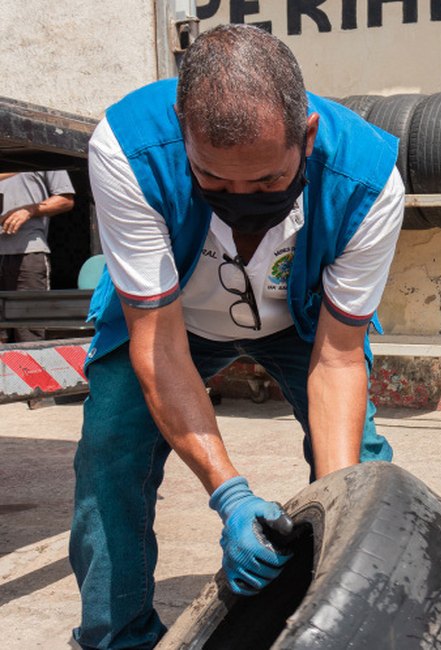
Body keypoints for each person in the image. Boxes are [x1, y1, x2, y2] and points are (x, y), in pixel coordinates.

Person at [70, 24, 404, 649]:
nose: (241, 200)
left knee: (360, 468)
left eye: (268, 182)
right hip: (171, 321)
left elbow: (336, 358)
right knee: (110, 453)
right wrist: (230, 496)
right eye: (215, 183)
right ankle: (118, 637)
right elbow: (160, 345)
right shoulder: (126, 149)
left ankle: (355, 619)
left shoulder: (370, 180)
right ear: (182, 128)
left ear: (305, 135)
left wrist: (336, 512)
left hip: (301, 320)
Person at [0, 170, 75, 342]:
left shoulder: (40, 154)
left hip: (28, 252)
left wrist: (30, 210)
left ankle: (30, 369)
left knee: (29, 332)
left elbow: (66, 200)